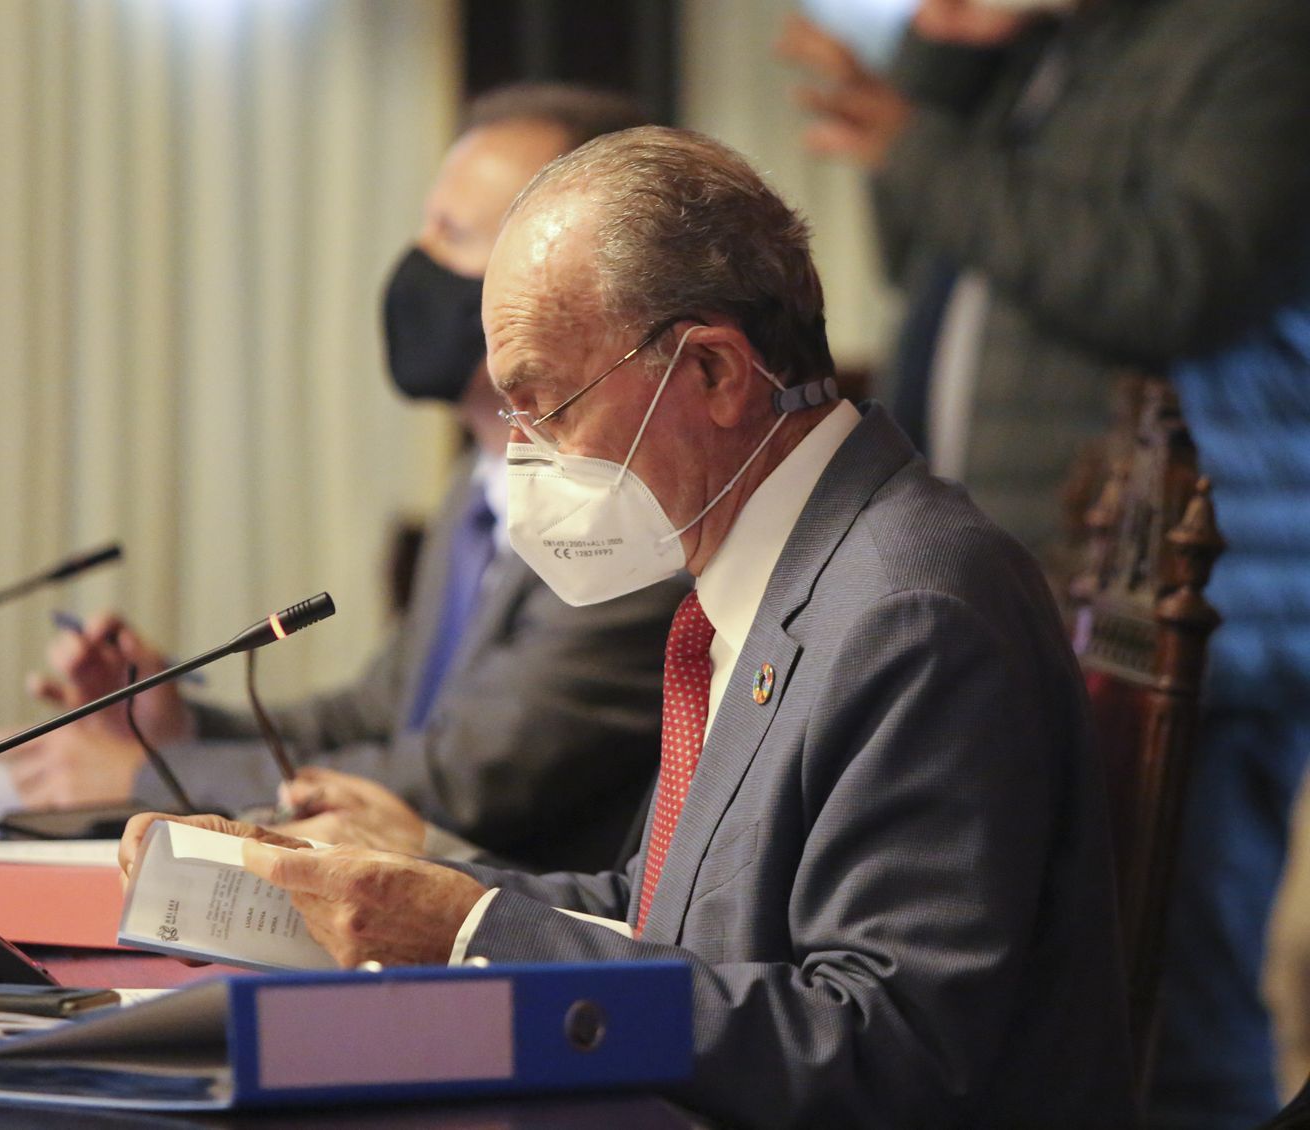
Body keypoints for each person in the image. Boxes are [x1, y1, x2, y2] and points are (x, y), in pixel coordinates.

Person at [120, 126, 1137, 1127]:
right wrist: (381, 891)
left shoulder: (909, 610)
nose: (524, 456)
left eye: (549, 405)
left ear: (714, 373)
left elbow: (879, 1053)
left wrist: (468, 931)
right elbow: (655, 910)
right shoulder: (775, 573)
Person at [779, 2, 1310, 1121]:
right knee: (1060, 1015)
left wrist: (920, 146)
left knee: (1175, 1021)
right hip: (1045, 601)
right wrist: (940, 55)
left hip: (1193, 615)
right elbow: (916, 248)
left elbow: (1178, 281)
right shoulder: (1057, 51)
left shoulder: (1261, 38)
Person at [1, 84, 689, 873]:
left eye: (454, 234)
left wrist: (147, 778)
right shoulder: (478, 485)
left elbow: (461, 779)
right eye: (426, 224)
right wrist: (177, 725)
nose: (417, 259)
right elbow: (379, 711)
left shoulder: (629, 518)